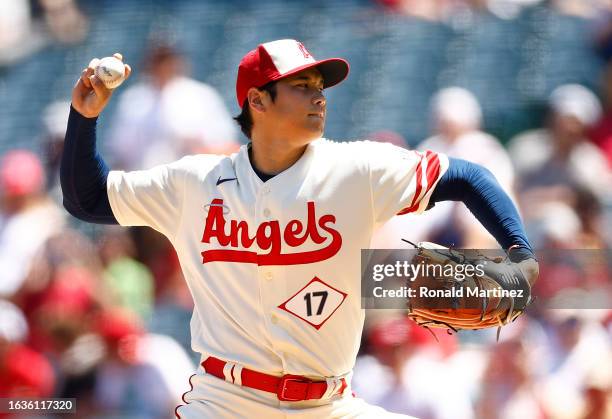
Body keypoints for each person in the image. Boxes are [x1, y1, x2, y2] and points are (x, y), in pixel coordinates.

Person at [61, 40, 538, 418]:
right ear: (257, 101)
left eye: (320, 85)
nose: (318, 96)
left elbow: (468, 177)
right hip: (225, 403)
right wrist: (85, 118)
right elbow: (86, 198)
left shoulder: (358, 168)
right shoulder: (194, 182)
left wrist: (520, 252)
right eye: (301, 85)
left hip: (329, 404)